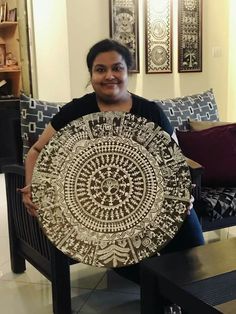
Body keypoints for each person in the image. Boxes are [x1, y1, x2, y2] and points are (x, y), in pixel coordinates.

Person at [19, 38, 204, 285]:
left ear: (128, 72)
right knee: (131, 263)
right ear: (91, 74)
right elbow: (36, 151)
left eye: (117, 68)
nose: (109, 76)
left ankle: (180, 296)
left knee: (194, 253)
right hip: (99, 211)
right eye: (100, 69)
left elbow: (175, 163)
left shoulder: (150, 112)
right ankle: (162, 296)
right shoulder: (77, 111)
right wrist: (30, 187)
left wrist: (182, 194)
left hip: (156, 201)